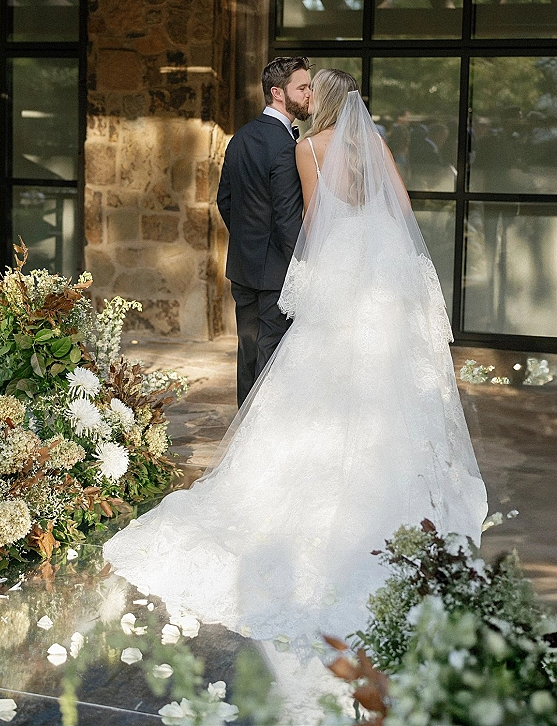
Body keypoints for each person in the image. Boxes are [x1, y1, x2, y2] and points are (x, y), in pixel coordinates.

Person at [103, 69, 487, 646]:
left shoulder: (308, 146)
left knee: (318, 374)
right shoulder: (375, 143)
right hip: (383, 266)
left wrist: (311, 279)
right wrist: (402, 261)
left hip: (341, 263)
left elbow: (311, 222)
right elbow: (404, 209)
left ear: (322, 103)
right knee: (386, 377)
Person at [216, 56, 311, 407]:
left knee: (248, 353)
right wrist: (303, 266)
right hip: (276, 273)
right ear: (277, 93)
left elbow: (224, 201)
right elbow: (288, 219)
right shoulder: (286, 147)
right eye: (302, 87)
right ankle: (257, 443)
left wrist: (247, 242)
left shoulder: (240, 137)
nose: (308, 94)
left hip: (242, 267)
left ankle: (242, 434)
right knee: (271, 359)